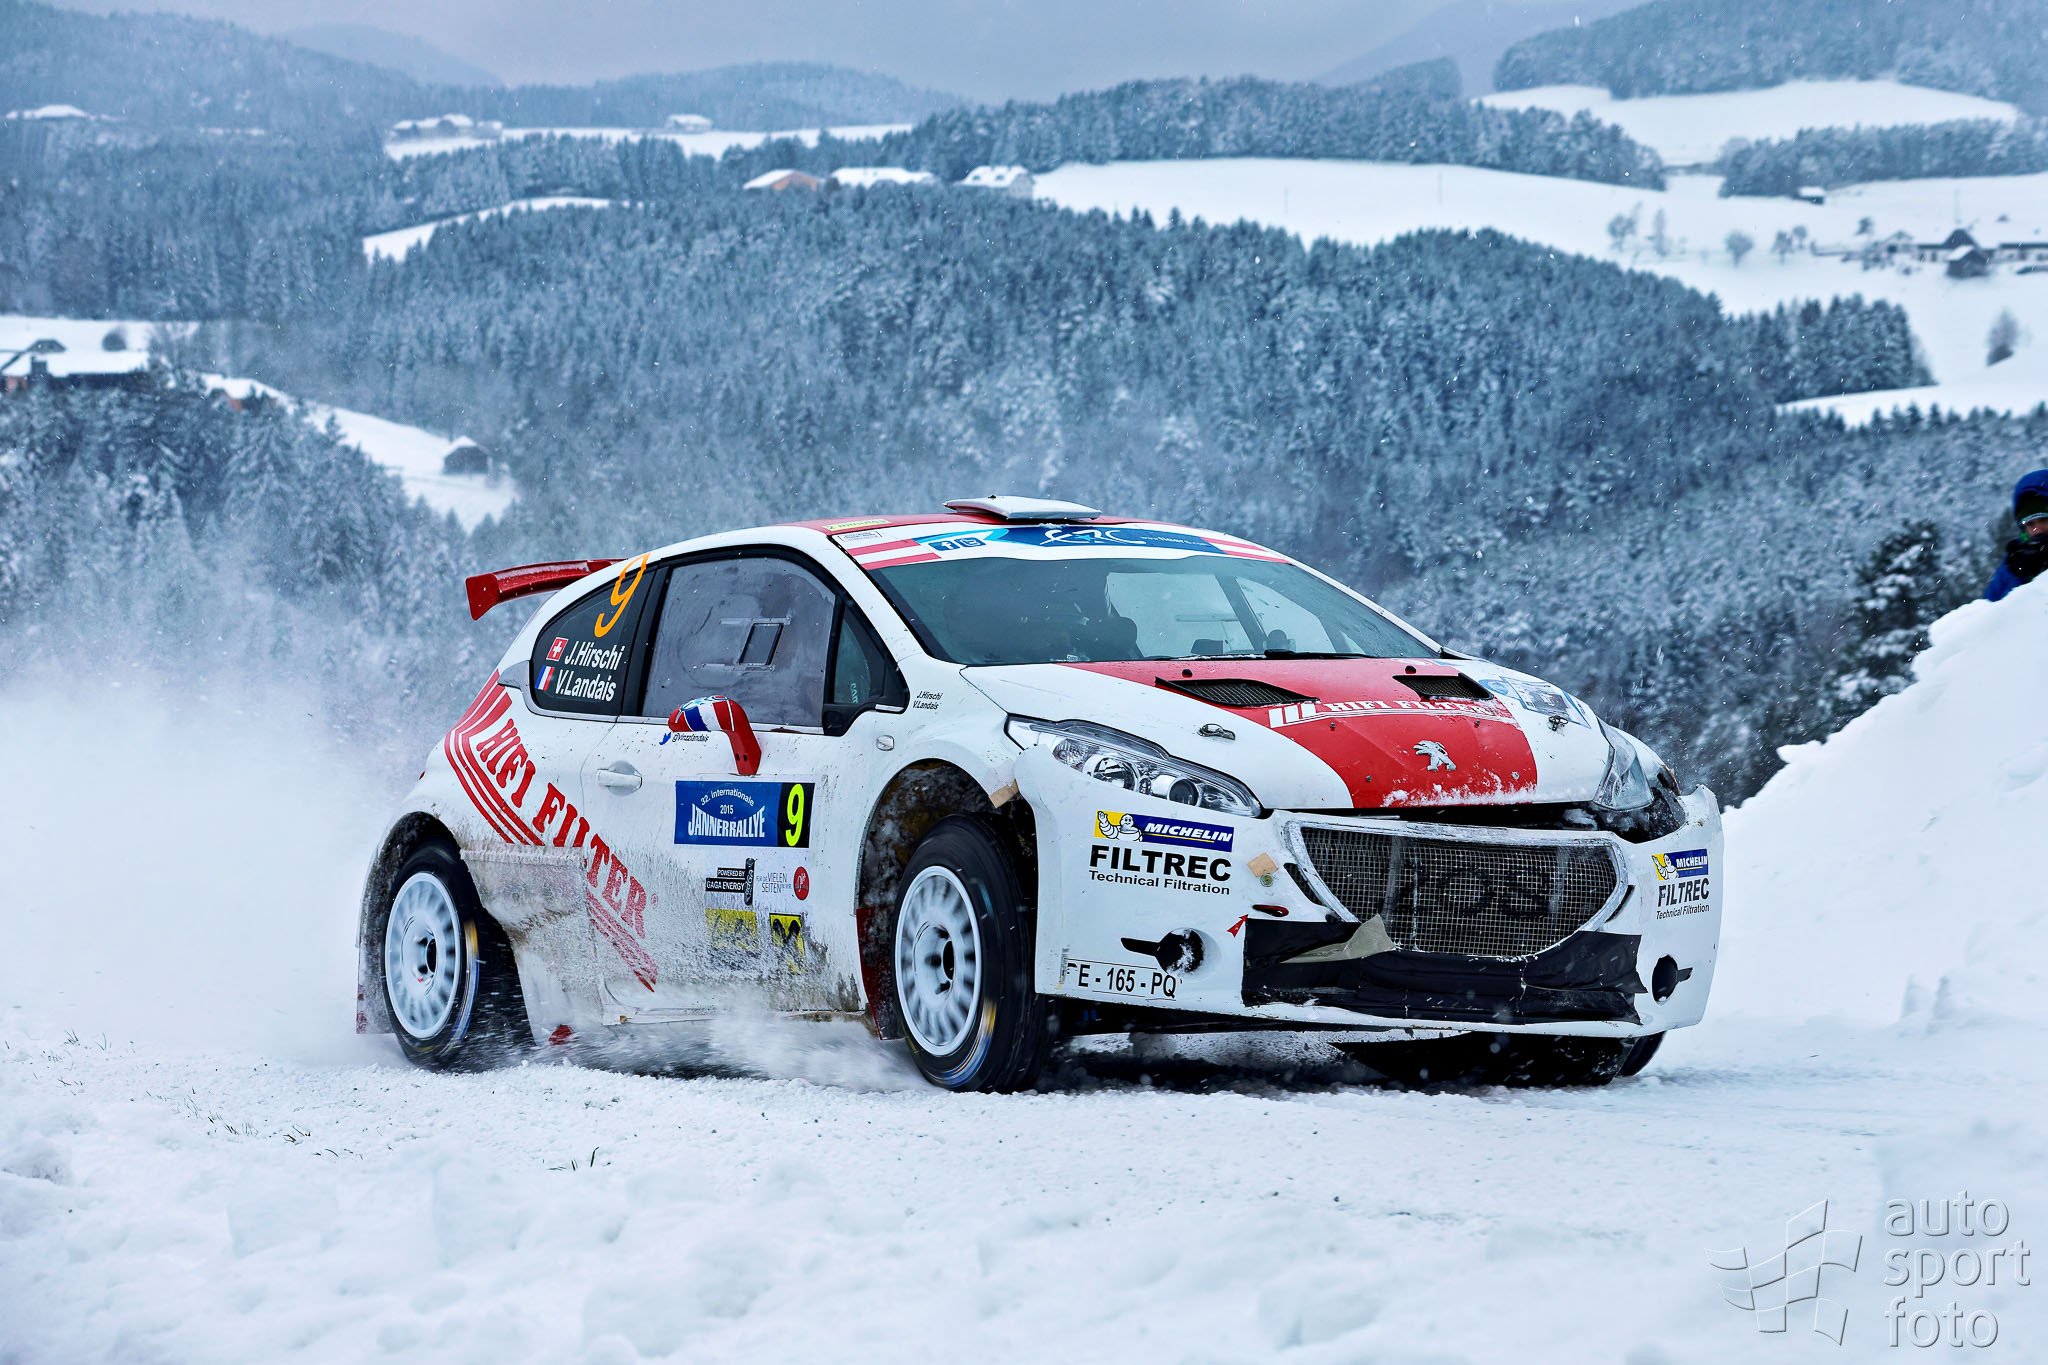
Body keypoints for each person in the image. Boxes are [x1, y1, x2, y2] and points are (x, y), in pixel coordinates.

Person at [1986, 470, 2048, 602]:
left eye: (2043, 520)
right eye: (2030, 524)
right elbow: (1990, 608)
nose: (2037, 530)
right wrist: (2020, 576)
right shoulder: (2016, 559)